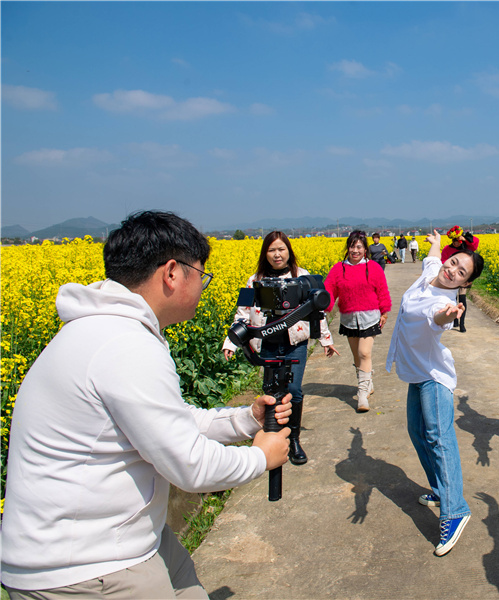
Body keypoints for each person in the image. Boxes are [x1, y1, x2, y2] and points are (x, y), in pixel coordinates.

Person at [1, 211, 292, 600]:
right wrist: (261, 457)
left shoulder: (104, 330)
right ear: (171, 273)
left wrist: (246, 420)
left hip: (117, 536)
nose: (203, 287)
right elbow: (191, 466)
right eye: (201, 275)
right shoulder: (125, 346)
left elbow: (170, 422)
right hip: (86, 566)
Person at [386, 229, 485, 557]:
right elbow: (431, 260)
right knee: (418, 433)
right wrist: (436, 243)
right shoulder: (431, 273)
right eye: (453, 263)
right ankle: (442, 490)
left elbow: (439, 318)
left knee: (440, 439)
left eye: (461, 273)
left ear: (465, 284)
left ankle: (455, 510)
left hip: (434, 378)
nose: (452, 271)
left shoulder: (445, 302)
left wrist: (449, 315)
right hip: (417, 374)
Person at [222, 231, 339, 465]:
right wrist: (232, 342)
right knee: (271, 391)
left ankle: (293, 439)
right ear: (265, 253)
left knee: (293, 390)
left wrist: (326, 339)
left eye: (281, 249)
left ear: (289, 251)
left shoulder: (303, 277)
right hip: (267, 342)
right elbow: (242, 312)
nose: (277, 254)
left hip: (296, 343)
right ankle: (274, 438)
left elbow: (317, 312)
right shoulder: (253, 280)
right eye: (272, 250)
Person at [324, 231, 392, 412]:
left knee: (364, 353)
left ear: (365, 249)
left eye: (359, 247)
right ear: (348, 248)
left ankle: (362, 394)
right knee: (356, 356)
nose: (355, 251)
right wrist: (323, 308)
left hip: (370, 317)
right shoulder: (338, 269)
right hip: (349, 319)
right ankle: (367, 382)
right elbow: (329, 290)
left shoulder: (374, 268)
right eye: (352, 247)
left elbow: (382, 290)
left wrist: (384, 312)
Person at [441, 226, 480, 332]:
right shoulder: (447, 249)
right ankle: (455, 321)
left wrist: (465, 238)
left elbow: (475, 243)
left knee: (462, 299)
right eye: (454, 242)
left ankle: (462, 324)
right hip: (452, 278)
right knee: (453, 299)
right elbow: (443, 261)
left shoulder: (467, 248)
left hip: (464, 278)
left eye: (458, 241)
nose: (456, 244)